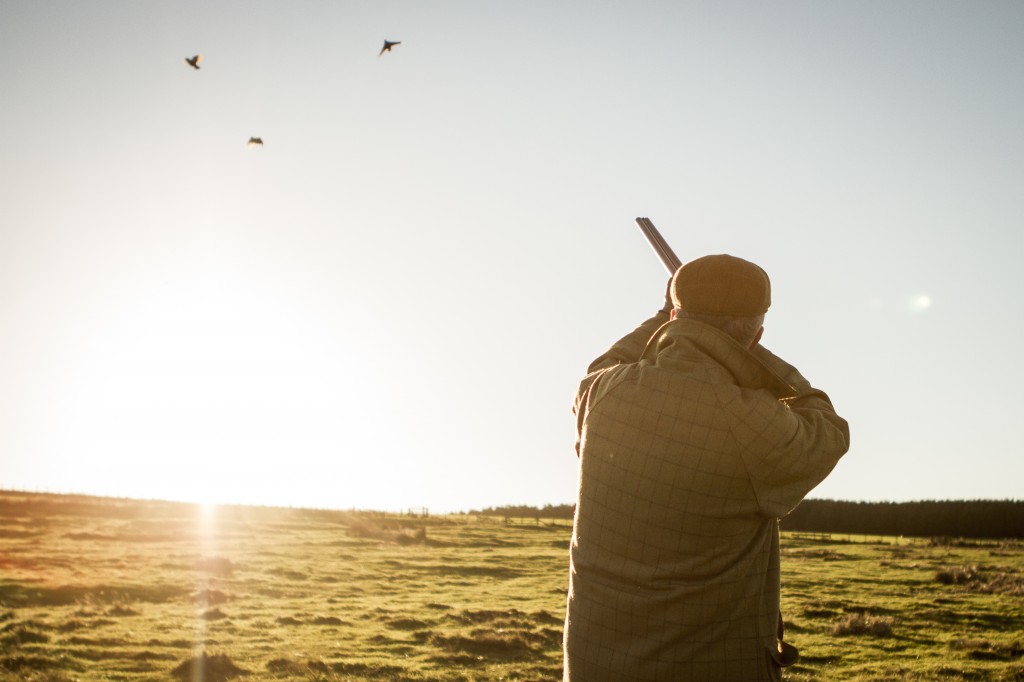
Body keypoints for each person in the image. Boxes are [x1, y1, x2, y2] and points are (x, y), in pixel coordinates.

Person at [563, 254, 850, 681]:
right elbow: (828, 428)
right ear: (757, 333)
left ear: (675, 315)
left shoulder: (605, 394)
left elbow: (605, 364)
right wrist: (754, 356)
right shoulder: (756, 425)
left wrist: (664, 317)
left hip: (596, 667)